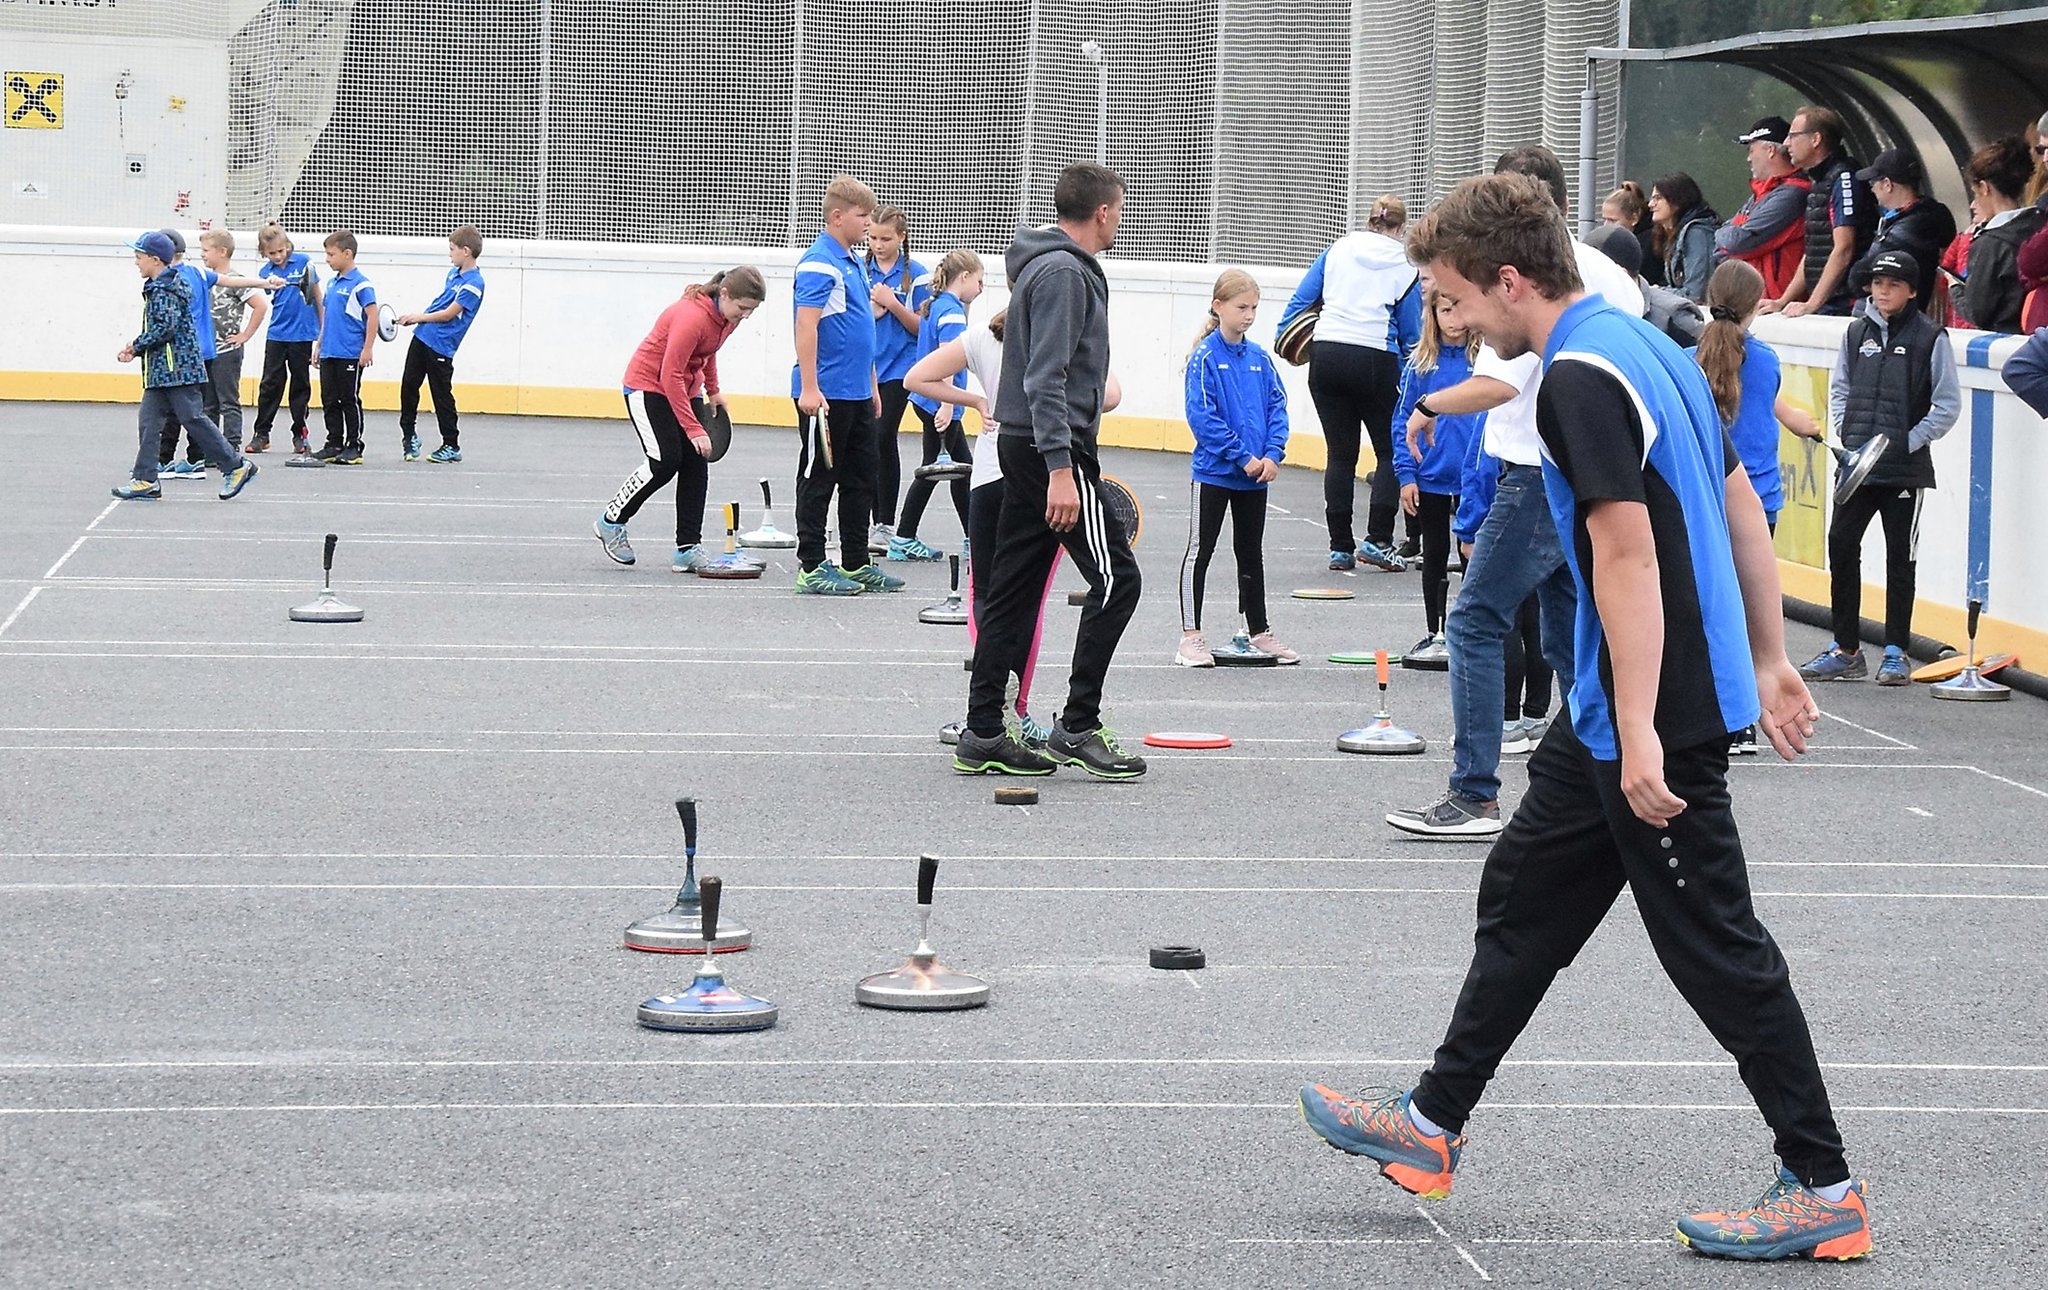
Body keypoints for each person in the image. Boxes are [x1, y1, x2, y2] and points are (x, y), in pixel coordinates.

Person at [1303, 172, 1869, 1265]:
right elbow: (1737, 497)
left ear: (1509, 279)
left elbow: (1622, 551)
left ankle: (1822, 1182)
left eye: (1456, 301)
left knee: (1714, 945)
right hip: (1612, 708)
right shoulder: (1650, 336)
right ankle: (1429, 1125)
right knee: (1521, 894)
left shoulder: (1576, 375)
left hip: (1647, 711)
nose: (1452, 323)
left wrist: (1649, 726)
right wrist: (1770, 655)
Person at [1386, 144, 1643, 839]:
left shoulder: (1545, 284)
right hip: (1543, 467)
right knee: (1568, 638)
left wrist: (1431, 407)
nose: (1462, 317)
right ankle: (1594, 781)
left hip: (1539, 470)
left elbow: (1510, 381)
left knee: (1474, 620)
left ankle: (1475, 792)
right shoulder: (1603, 275)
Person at [953, 162, 1145, 781]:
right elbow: (1045, 378)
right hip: (1045, 454)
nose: (1121, 220)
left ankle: (982, 729)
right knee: (1119, 582)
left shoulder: (1046, 265)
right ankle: (1078, 726)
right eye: (1120, 210)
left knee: (1012, 588)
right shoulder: (1065, 271)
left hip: (1023, 446)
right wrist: (1062, 469)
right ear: (1104, 212)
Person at [906, 313, 1125, 747]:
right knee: (1031, 601)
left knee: (988, 597)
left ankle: (990, 709)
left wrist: (978, 402)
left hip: (991, 472)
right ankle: (1016, 709)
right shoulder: (1063, 335)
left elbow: (917, 378)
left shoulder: (982, 337)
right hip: (1044, 473)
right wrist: (1063, 408)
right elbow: (1112, 395)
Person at [1799, 250, 1959, 687]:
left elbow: (1947, 405)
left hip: (1904, 472)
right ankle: (1846, 650)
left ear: (1911, 290)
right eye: (1877, 283)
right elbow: (1841, 389)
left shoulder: (1931, 337)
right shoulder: (1855, 333)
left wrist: (1908, 442)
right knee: (1841, 545)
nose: (1882, 290)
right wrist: (1850, 441)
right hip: (1857, 470)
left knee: (1899, 559)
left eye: (1892, 284)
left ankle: (1895, 651)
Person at [1278, 195, 1422, 573]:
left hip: (1327, 353)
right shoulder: (1406, 263)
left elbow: (1300, 302)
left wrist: (1295, 340)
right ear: (1401, 228)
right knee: (1390, 451)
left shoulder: (1337, 249)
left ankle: (1340, 546)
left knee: (1339, 455)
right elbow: (1411, 333)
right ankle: (1377, 539)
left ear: (1369, 221)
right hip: (1376, 356)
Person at [593, 268, 768, 571]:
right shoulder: (692, 318)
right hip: (647, 385)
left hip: (686, 387)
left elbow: (708, 350)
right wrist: (693, 427)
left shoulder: (728, 318)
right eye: (743, 308)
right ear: (724, 294)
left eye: (752, 310)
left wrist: (713, 391)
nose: (746, 316)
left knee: (696, 462)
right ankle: (611, 520)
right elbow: (669, 374)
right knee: (665, 460)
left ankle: (687, 548)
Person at [1176, 269, 1295, 667]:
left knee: (1250, 553)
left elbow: (1278, 407)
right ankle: (1190, 637)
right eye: (1241, 307)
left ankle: (1258, 631)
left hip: (1255, 479)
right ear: (1218, 306)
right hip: (1214, 473)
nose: (1248, 315)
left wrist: (1273, 454)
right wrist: (1242, 456)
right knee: (1200, 551)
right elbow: (1202, 416)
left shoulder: (1260, 358)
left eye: (1254, 308)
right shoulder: (1206, 357)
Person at [789, 176, 902, 596]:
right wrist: (811, 388)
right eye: (863, 216)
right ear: (838, 217)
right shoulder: (819, 262)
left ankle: (855, 561)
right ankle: (812, 565)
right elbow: (807, 325)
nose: (869, 224)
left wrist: (871, 385)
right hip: (827, 393)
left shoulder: (852, 262)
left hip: (856, 391)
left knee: (861, 478)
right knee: (820, 477)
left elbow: (860, 332)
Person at [110, 231, 258, 502]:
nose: (136, 262)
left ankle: (236, 466)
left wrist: (135, 347)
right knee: (149, 421)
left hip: (177, 368)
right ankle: (145, 479)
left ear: (155, 260)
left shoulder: (165, 288)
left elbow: (165, 328)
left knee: (193, 419)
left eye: (139, 257)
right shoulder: (163, 284)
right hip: (164, 371)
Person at [1390, 286, 1481, 667]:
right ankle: (1436, 629)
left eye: (1459, 310)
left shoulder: (1483, 362)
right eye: (1445, 311)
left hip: (1475, 476)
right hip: (1431, 475)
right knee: (1435, 554)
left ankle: (1470, 630)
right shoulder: (1421, 365)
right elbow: (1401, 420)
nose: (1454, 320)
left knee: (1473, 556)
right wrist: (1406, 473)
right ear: (1433, 315)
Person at [1452, 434, 1551, 757]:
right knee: (1539, 620)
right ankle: (1536, 717)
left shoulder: (1498, 402)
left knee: (1491, 620)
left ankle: (1507, 722)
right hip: (1549, 509)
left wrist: (1468, 528)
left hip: (1506, 511)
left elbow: (1479, 468)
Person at [891, 249, 984, 562]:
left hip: (930, 400)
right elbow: (947, 361)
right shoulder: (952, 313)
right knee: (937, 469)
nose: (981, 288)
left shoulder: (935, 305)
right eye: (980, 281)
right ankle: (904, 536)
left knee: (959, 470)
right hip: (940, 402)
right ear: (965, 277)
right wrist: (947, 404)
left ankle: (972, 535)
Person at [1764, 105, 1877, 318]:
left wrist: (1811, 304)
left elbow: (1844, 248)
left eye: (1792, 136)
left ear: (1816, 139)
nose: (1786, 143)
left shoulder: (1843, 177)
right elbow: (1815, 249)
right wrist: (1782, 301)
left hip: (1844, 305)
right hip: (1828, 302)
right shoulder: (1820, 180)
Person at [863, 206, 930, 551]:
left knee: (883, 434)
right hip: (868, 366)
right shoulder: (860, 269)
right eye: (872, 237)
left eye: (885, 238)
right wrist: (871, 311)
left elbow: (922, 327)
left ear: (902, 238)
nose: (877, 244)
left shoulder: (916, 276)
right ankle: (872, 520)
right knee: (869, 441)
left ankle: (885, 522)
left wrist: (892, 304)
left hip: (901, 368)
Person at [397, 225, 486, 463]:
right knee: (408, 385)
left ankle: (451, 444)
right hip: (423, 336)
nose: (450, 253)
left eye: (452, 249)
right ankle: (409, 435)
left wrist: (419, 316)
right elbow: (441, 303)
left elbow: (448, 314)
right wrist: (415, 321)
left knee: (441, 395)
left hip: (441, 345)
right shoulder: (453, 274)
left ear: (466, 251)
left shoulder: (473, 284)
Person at [1850, 149, 1956, 318]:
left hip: (1891, 320)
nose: (1872, 190)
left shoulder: (1910, 227)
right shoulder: (1915, 218)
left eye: (1873, 184)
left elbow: (1857, 277)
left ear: (1887, 184)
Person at [1714, 117, 1812, 302]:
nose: (1748, 158)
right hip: (1758, 300)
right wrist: (1726, 237)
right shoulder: (1760, 193)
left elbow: (1738, 241)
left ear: (1770, 150)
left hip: (1781, 303)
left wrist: (1725, 236)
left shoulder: (1793, 194)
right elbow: (1720, 246)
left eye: (1751, 150)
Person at [1955, 137, 2045, 334]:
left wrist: (1956, 290)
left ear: (1985, 188)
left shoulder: (1990, 244)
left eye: (1975, 193)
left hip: (2004, 345)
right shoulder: (2040, 228)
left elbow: (1978, 312)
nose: (1973, 204)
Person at [249, 225, 321, 455]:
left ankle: (300, 433)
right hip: (278, 333)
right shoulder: (266, 272)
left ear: (288, 246)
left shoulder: (303, 263)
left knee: (300, 384)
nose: (279, 256)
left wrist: (322, 331)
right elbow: (266, 291)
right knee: (270, 383)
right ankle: (262, 433)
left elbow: (317, 296)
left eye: (282, 251)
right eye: (273, 253)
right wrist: (269, 283)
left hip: (302, 334)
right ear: (264, 253)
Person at [197, 229, 268, 463]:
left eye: (206, 251)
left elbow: (260, 306)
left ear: (222, 252)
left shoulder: (235, 280)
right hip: (207, 348)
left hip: (227, 350)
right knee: (208, 403)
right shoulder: (204, 278)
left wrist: (245, 335)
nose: (203, 255)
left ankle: (231, 445)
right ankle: (212, 448)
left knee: (228, 399)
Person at [309, 232, 377, 465]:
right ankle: (334, 442)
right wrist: (319, 343)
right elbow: (327, 315)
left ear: (347, 254)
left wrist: (367, 348)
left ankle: (354, 444)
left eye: (331, 254)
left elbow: (372, 316)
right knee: (329, 398)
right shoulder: (333, 283)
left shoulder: (361, 284)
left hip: (349, 352)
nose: (327, 259)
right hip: (330, 350)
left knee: (349, 398)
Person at [1648, 173, 1718, 302]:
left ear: (1677, 200)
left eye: (1658, 198)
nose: (1651, 204)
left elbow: (1695, 294)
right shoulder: (1674, 234)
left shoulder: (1697, 233)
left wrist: (1655, 291)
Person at [1602, 181, 1660, 286]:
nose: (1606, 225)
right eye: (1605, 219)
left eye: (1613, 220)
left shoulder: (1650, 243)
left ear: (1634, 218)